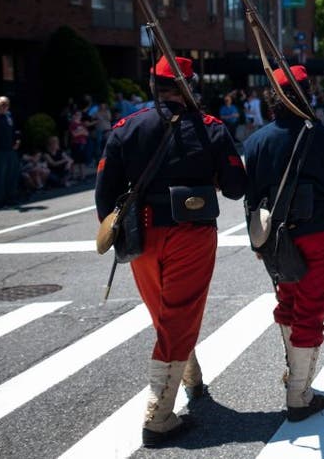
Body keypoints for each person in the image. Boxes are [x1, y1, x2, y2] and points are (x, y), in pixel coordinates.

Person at [95, 56, 247, 447]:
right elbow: (235, 186)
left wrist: (123, 235)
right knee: (179, 312)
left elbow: (104, 194)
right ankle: (158, 416)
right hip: (190, 232)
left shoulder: (126, 127)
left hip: (141, 234)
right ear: (189, 85)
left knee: (166, 311)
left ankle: (191, 378)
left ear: (153, 85)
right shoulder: (209, 128)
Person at [242, 66, 324, 422]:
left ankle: (297, 376)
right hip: (317, 231)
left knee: (288, 303)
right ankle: (298, 393)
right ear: (307, 94)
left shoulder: (256, 141)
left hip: (275, 234)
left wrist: (257, 243)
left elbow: (251, 197)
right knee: (310, 308)